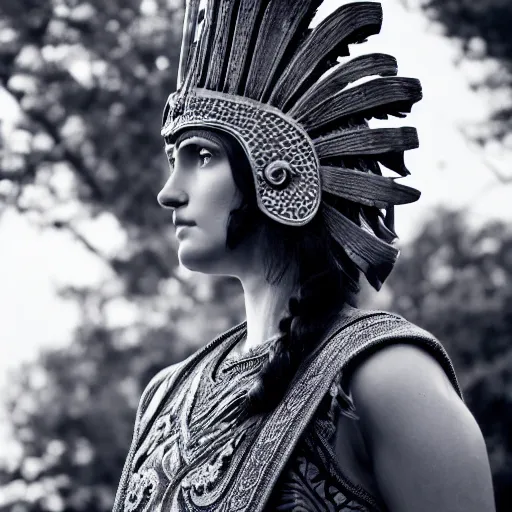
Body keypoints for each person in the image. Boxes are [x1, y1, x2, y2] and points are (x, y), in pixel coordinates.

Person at [113, 1, 496, 511]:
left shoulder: (386, 377)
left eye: (201, 156)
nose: (169, 192)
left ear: (279, 168)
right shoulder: (164, 395)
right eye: (171, 160)